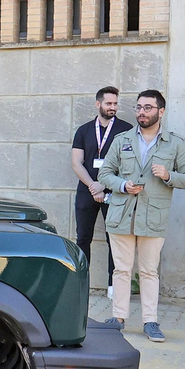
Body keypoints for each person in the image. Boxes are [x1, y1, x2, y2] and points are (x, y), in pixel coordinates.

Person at [97, 89, 185, 343]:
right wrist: (122, 185)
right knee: (121, 269)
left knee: (148, 271)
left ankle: (150, 321)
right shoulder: (122, 139)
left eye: (148, 108)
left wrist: (168, 176)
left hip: (153, 217)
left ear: (160, 111)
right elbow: (104, 174)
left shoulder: (175, 143)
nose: (142, 112)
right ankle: (118, 318)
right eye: (139, 107)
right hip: (121, 214)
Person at [71, 86, 132, 295]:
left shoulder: (126, 130)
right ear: (98, 104)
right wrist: (92, 186)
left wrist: (103, 185)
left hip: (114, 191)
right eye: (109, 103)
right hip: (86, 190)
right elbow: (76, 163)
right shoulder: (84, 130)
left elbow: (128, 165)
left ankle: (113, 286)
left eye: (115, 103)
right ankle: (81, 284)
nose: (113, 107)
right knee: (82, 238)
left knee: (113, 238)